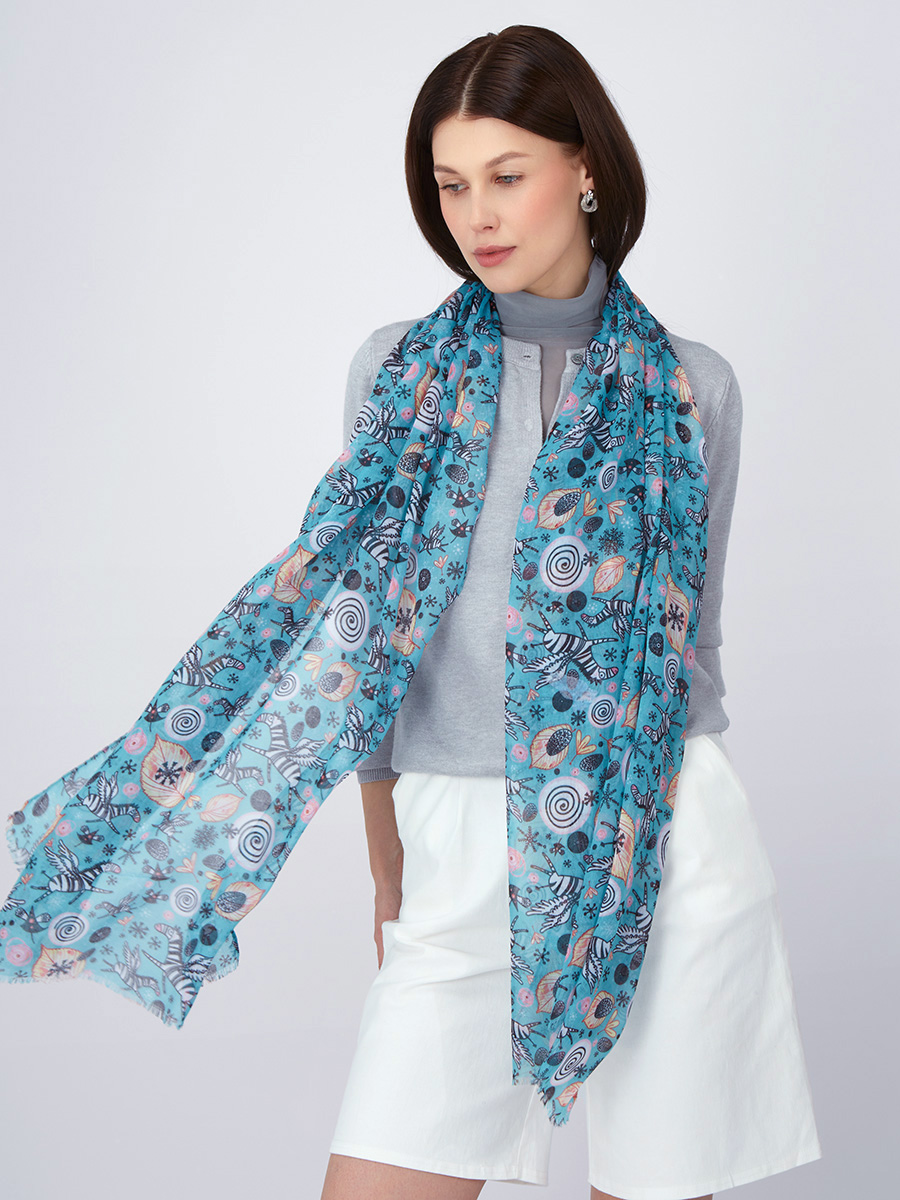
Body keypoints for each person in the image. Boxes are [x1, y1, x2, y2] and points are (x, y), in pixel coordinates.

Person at [319, 24, 823, 1200]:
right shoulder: (397, 374)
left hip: (659, 835)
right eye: (451, 185)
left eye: (507, 175)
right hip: (459, 840)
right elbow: (366, 637)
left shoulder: (694, 386)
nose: (477, 216)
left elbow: (693, 646)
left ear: (584, 166)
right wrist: (388, 851)